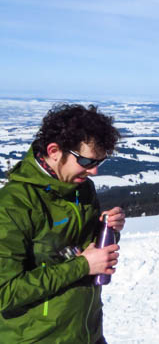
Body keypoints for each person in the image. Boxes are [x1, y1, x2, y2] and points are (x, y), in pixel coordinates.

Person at [0, 104, 125, 343]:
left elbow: (84, 251)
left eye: (100, 162)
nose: (95, 171)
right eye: (87, 161)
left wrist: (107, 230)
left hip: (87, 332)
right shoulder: (12, 206)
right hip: (37, 337)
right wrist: (82, 266)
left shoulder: (82, 188)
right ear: (54, 150)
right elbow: (5, 293)